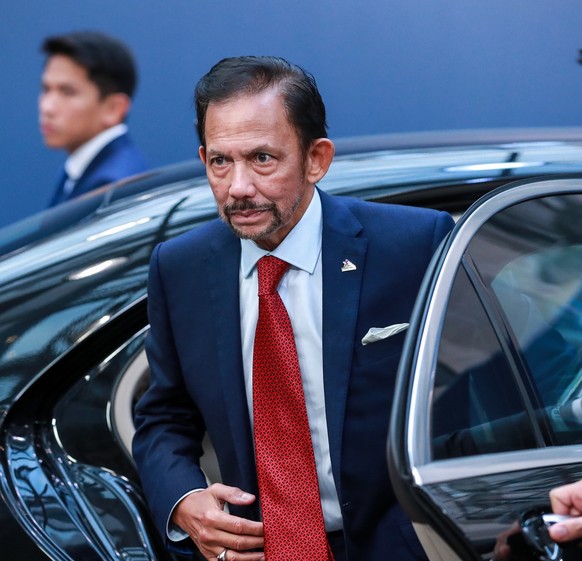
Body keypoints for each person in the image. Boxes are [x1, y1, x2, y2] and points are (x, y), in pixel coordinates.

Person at [132, 55, 454, 561]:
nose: (238, 187)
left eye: (262, 158)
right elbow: (164, 416)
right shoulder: (181, 268)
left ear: (316, 159)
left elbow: (476, 397)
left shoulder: (412, 245)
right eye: (220, 161)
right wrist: (184, 499)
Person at [39, 30, 148, 207]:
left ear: (114, 108)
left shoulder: (111, 187)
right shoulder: (85, 171)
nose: (47, 107)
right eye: (46, 89)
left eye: (67, 92)